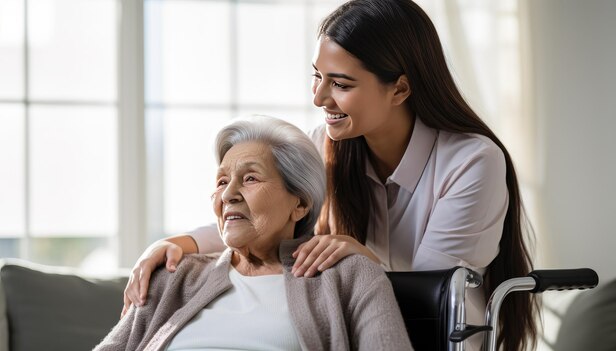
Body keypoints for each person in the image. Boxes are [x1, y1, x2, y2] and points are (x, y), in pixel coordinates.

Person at [123, 1, 537, 350]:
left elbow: (432, 296)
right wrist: (178, 242)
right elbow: (270, 211)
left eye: (339, 83)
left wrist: (360, 256)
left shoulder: (471, 161)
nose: (319, 97)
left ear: (400, 89)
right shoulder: (324, 142)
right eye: (317, 77)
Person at [96, 116, 412, 351]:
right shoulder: (173, 277)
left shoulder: (350, 275)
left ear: (299, 203)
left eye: (249, 178)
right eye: (221, 182)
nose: (228, 194)